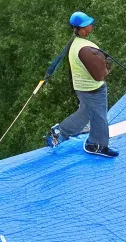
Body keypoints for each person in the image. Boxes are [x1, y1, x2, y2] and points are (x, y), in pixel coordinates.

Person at [48, 12, 118, 159]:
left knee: (85, 114)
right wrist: (106, 66)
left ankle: (60, 132)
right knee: (100, 117)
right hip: (93, 89)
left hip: (82, 88)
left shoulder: (75, 44)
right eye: (88, 24)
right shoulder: (84, 48)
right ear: (81, 29)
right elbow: (99, 74)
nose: (91, 26)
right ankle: (97, 145)